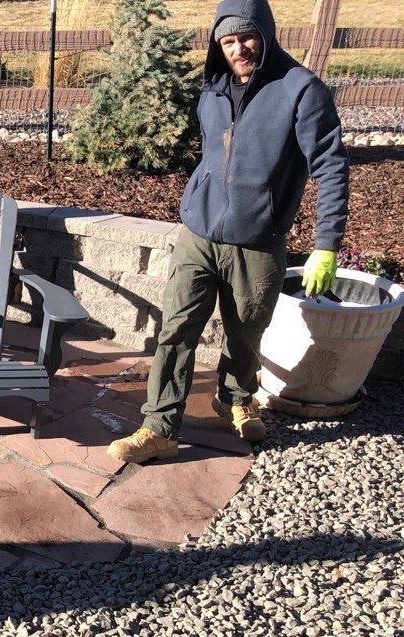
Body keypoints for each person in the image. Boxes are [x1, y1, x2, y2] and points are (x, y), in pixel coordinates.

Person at [107, 0, 350, 464]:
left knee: (245, 333)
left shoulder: (301, 90)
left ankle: (236, 399)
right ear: (218, 43)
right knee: (176, 329)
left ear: (266, 32)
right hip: (199, 234)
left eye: (248, 36)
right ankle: (158, 425)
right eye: (229, 40)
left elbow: (332, 167)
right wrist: (198, 191)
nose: (239, 48)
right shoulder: (213, 88)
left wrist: (325, 245)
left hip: (257, 240)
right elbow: (214, 152)